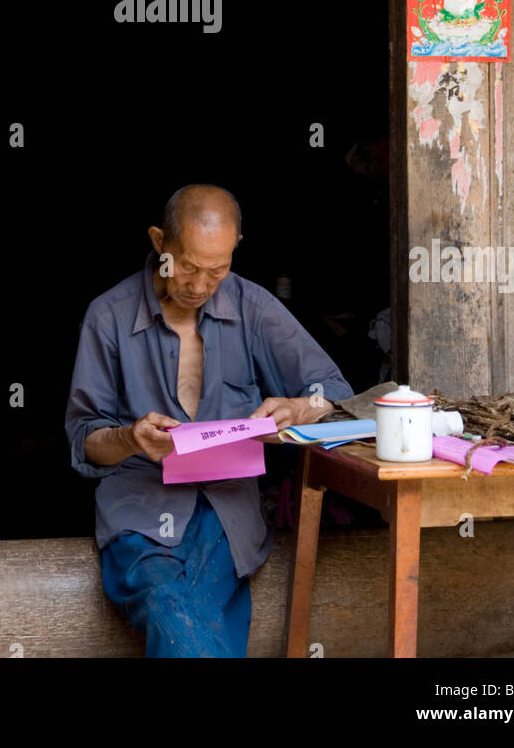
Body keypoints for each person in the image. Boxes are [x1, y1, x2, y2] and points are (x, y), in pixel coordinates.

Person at [64, 184, 354, 658]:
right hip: (140, 511)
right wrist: (129, 439)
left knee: (189, 607)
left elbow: (338, 395)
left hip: (226, 512)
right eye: (188, 266)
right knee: (166, 601)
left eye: (217, 271)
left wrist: (301, 408)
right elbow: (83, 442)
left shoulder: (253, 307)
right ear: (160, 242)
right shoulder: (109, 317)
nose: (199, 287)